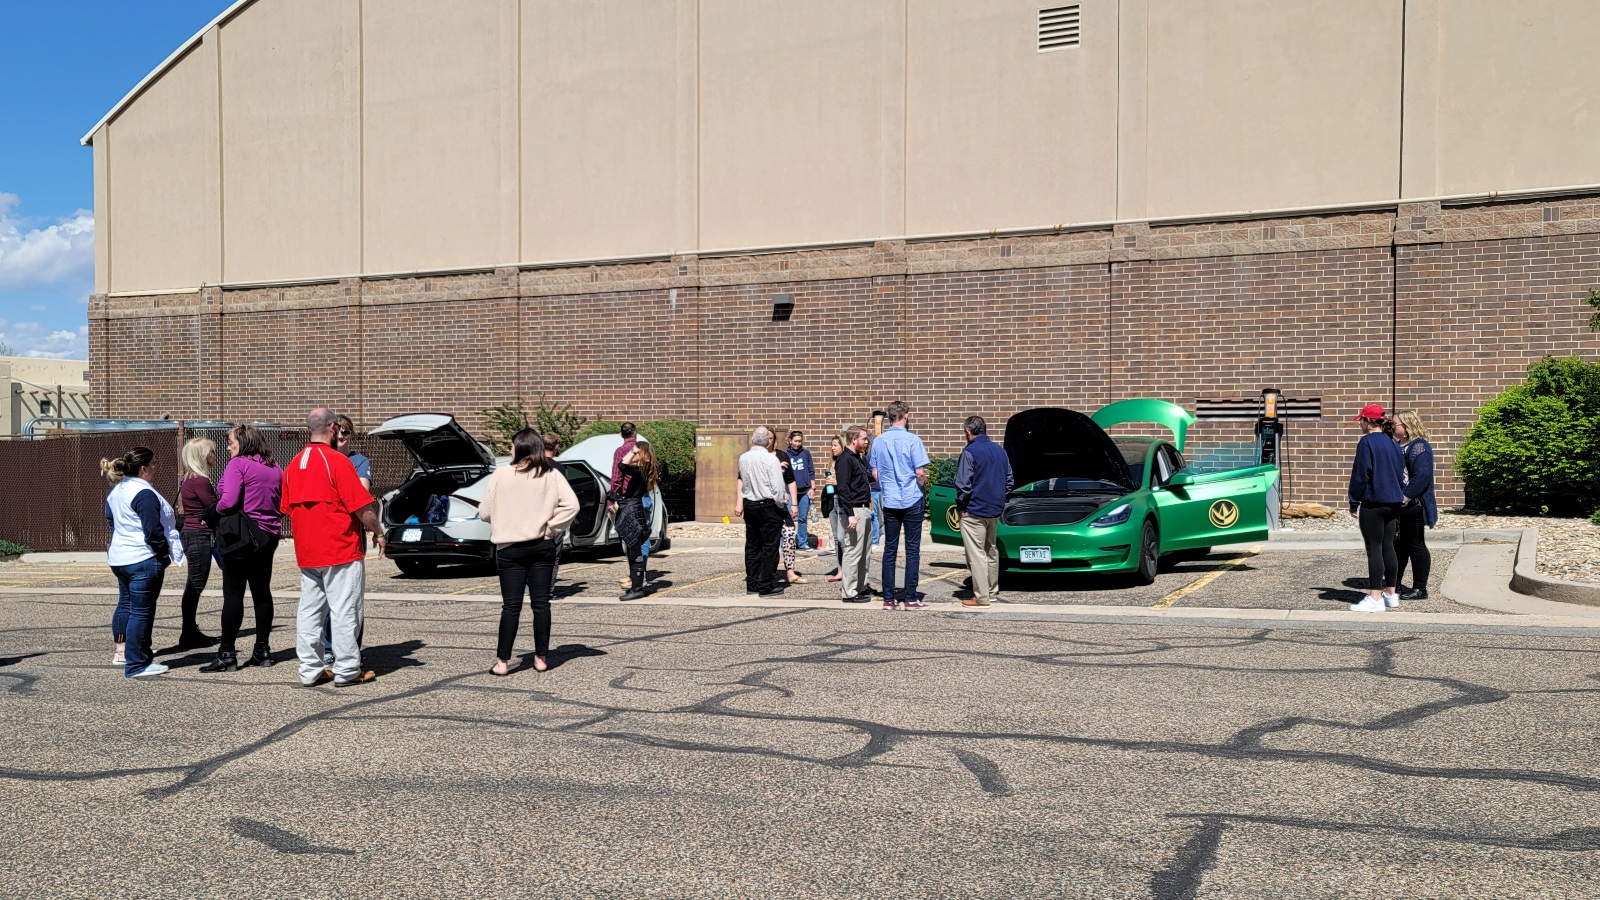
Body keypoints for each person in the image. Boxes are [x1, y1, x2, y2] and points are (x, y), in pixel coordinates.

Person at [281, 407, 386, 687]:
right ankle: (348, 670)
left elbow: (287, 508)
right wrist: (378, 531)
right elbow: (363, 508)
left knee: (310, 611)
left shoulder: (293, 464)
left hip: (308, 551)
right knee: (344, 610)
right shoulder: (339, 463)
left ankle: (310, 670)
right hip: (339, 548)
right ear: (332, 428)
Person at [479, 430, 579, 675]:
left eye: (512, 446)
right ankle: (541, 658)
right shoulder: (551, 474)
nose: (510, 450)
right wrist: (551, 528)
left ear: (521, 448)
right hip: (540, 545)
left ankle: (502, 662)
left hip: (509, 548)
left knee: (511, 606)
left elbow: (485, 512)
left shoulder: (500, 475)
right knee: (541, 604)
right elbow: (572, 505)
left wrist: (504, 517)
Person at [199, 426, 284, 673]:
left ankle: (227, 654)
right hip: (268, 535)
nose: (228, 447)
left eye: (231, 442)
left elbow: (229, 501)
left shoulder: (238, 465)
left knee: (233, 594)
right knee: (261, 592)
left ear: (244, 442)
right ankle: (262, 650)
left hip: (241, 535)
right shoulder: (274, 466)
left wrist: (209, 513)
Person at [103, 446, 185, 677]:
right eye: (154, 463)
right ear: (143, 468)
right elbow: (152, 530)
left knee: (126, 605)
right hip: (142, 558)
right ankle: (137, 664)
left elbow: (111, 521)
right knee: (141, 611)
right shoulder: (144, 493)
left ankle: (125, 653)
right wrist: (162, 554)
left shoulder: (117, 490)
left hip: (120, 557)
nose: (157, 466)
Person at [868, 401, 931, 610]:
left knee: (890, 549)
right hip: (911, 497)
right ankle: (911, 598)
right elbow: (920, 472)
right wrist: (920, 488)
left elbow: (875, 473)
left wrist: (886, 488)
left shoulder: (879, 441)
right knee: (912, 549)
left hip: (891, 499)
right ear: (906, 415)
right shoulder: (913, 440)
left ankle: (888, 598)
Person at [321, 414, 372, 664]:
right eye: (337, 432)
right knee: (326, 600)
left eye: (346, 432)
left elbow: (361, 494)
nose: (341, 437)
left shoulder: (359, 461)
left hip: (351, 536)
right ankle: (329, 649)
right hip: (324, 535)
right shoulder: (322, 459)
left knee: (351, 599)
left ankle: (351, 650)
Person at [1347, 404, 1407, 612]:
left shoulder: (1367, 443)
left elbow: (1360, 475)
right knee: (1388, 547)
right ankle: (1391, 594)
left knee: (1374, 549)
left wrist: (1354, 501)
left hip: (1374, 502)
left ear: (1368, 421)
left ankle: (1374, 598)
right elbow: (1401, 473)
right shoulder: (1393, 443)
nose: (1361, 424)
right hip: (1393, 501)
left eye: (1362, 420)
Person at [955, 415, 1013, 608]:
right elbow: (1010, 480)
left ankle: (981, 597)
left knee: (976, 554)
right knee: (991, 550)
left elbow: (963, 485)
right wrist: (999, 498)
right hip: (994, 510)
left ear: (968, 432)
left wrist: (961, 508)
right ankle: (992, 591)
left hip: (974, 510)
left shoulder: (970, 452)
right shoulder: (1000, 451)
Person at [175, 437, 221, 648]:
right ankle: (189, 632)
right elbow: (215, 507)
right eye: (211, 452)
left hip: (195, 533)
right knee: (195, 584)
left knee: (194, 584)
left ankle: (190, 631)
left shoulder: (190, 478)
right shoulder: (199, 481)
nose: (215, 455)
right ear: (203, 456)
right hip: (198, 535)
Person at [735, 427, 787, 597]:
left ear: (753, 440)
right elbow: (777, 487)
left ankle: (752, 584)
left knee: (752, 546)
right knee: (770, 547)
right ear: (767, 441)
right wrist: (780, 504)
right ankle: (766, 586)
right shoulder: (771, 459)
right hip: (768, 505)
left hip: (750, 504)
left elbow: (742, 480)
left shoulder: (743, 458)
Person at [1394, 410, 1437, 601]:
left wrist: (1405, 497)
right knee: (1398, 545)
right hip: (1398, 505)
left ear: (1406, 426)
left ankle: (1420, 589)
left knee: (1415, 545)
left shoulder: (1420, 446)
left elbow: (1423, 476)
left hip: (1414, 504)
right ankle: (1393, 584)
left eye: (1395, 424)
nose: (1391, 427)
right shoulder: (1397, 445)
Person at [613, 440, 659, 601]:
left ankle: (637, 587)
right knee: (634, 549)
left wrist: (632, 451)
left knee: (634, 550)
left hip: (633, 509)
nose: (631, 453)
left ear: (641, 453)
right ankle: (636, 586)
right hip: (634, 507)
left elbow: (622, 466)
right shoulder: (645, 470)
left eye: (635, 451)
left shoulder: (640, 470)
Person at [834, 426, 875, 603]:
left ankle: (861, 586)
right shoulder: (844, 460)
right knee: (853, 552)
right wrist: (849, 514)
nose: (866, 442)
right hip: (855, 510)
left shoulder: (859, 458)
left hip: (865, 509)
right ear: (854, 440)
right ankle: (849, 592)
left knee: (864, 552)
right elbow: (843, 489)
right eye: (864, 439)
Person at [771, 428, 806, 585]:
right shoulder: (759, 457)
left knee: (790, 534)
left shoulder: (782, 455)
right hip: (766, 505)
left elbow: (791, 480)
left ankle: (790, 572)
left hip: (783, 504)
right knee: (769, 540)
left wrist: (794, 503)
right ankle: (768, 573)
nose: (769, 441)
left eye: (771, 438)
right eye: (766, 438)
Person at [787, 431, 816, 550]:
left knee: (802, 518)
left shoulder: (806, 453)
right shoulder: (785, 454)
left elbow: (811, 471)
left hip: (804, 490)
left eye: (800, 441)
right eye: (795, 441)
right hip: (789, 491)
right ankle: (787, 543)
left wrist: (812, 488)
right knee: (788, 518)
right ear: (790, 441)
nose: (798, 444)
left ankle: (802, 542)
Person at [823, 435, 845, 581]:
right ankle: (840, 569)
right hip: (832, 501)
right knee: (837, 538)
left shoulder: (846, 461)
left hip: (843, 502)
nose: (832, 448)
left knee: (844, 538)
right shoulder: (832, 462)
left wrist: (837, 482)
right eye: (832, 445)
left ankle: (847, 569)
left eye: (835, 445)